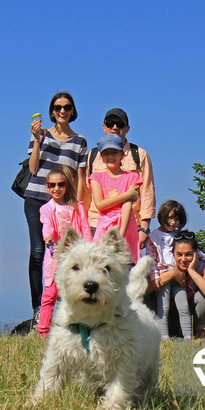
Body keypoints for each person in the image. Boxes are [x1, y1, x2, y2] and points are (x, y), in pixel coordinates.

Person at [23, 92, 88, 324]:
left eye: (67, 107)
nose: (62, 111)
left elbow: (80, 178)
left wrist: (79, 207)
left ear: (72, 111)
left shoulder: (80, 141)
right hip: (36, 199)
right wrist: (38, 139)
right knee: (39, 252)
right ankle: (38, 309)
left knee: (66, 253)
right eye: (58, 107)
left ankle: (63, 306)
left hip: (65, 204)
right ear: (52, 111)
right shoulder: (41, 134)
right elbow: (32, 169)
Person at [146, 200, 205, 340]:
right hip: (163, 276)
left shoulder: (177, 235)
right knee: (164, 308)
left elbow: (196, 250)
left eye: (176, 219)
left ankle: (188, 337)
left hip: (179, 277)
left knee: (183, 306)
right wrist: (155, 277)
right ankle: (164, 336)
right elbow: (151, 258)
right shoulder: (154, 237)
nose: (173, 222)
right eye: (170, 218)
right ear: (162, 217)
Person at [84, 108, 155, 249]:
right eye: (110, 123)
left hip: (129, 224)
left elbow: (147, 192)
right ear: (104, 127)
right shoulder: (92, 155)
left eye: (120, 124)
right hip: (96, 224)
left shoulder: (139, 155)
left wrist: (144, 228)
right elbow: (87, 193)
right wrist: (83, 226)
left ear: (127, 128)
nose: (115, 127)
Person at [38, 166, 92, 337]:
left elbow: (85, 230)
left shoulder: (77, 207)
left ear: (66, 185)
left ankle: (77, 329)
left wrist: (88, 250)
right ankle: (43, 331)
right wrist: (48, 238)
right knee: (51, 294)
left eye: (60, 184)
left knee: (77, 294)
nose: (56, 189)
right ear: (47, 187)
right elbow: (47, 226)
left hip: (76, 258)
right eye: (52, 185)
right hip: (55, 258)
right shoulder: (46, 209)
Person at [89, 134, 142, 263]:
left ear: (122, 154)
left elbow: (127, 206)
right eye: (106, 153)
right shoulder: (96, 177)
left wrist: (121, 235)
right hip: (104, 228)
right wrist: (127, 194)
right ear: (101, 157)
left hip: (126, 227)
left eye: (114, 152)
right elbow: (100, 205)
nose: (110, 157)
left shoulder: (132, 177)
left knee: (127, 266)